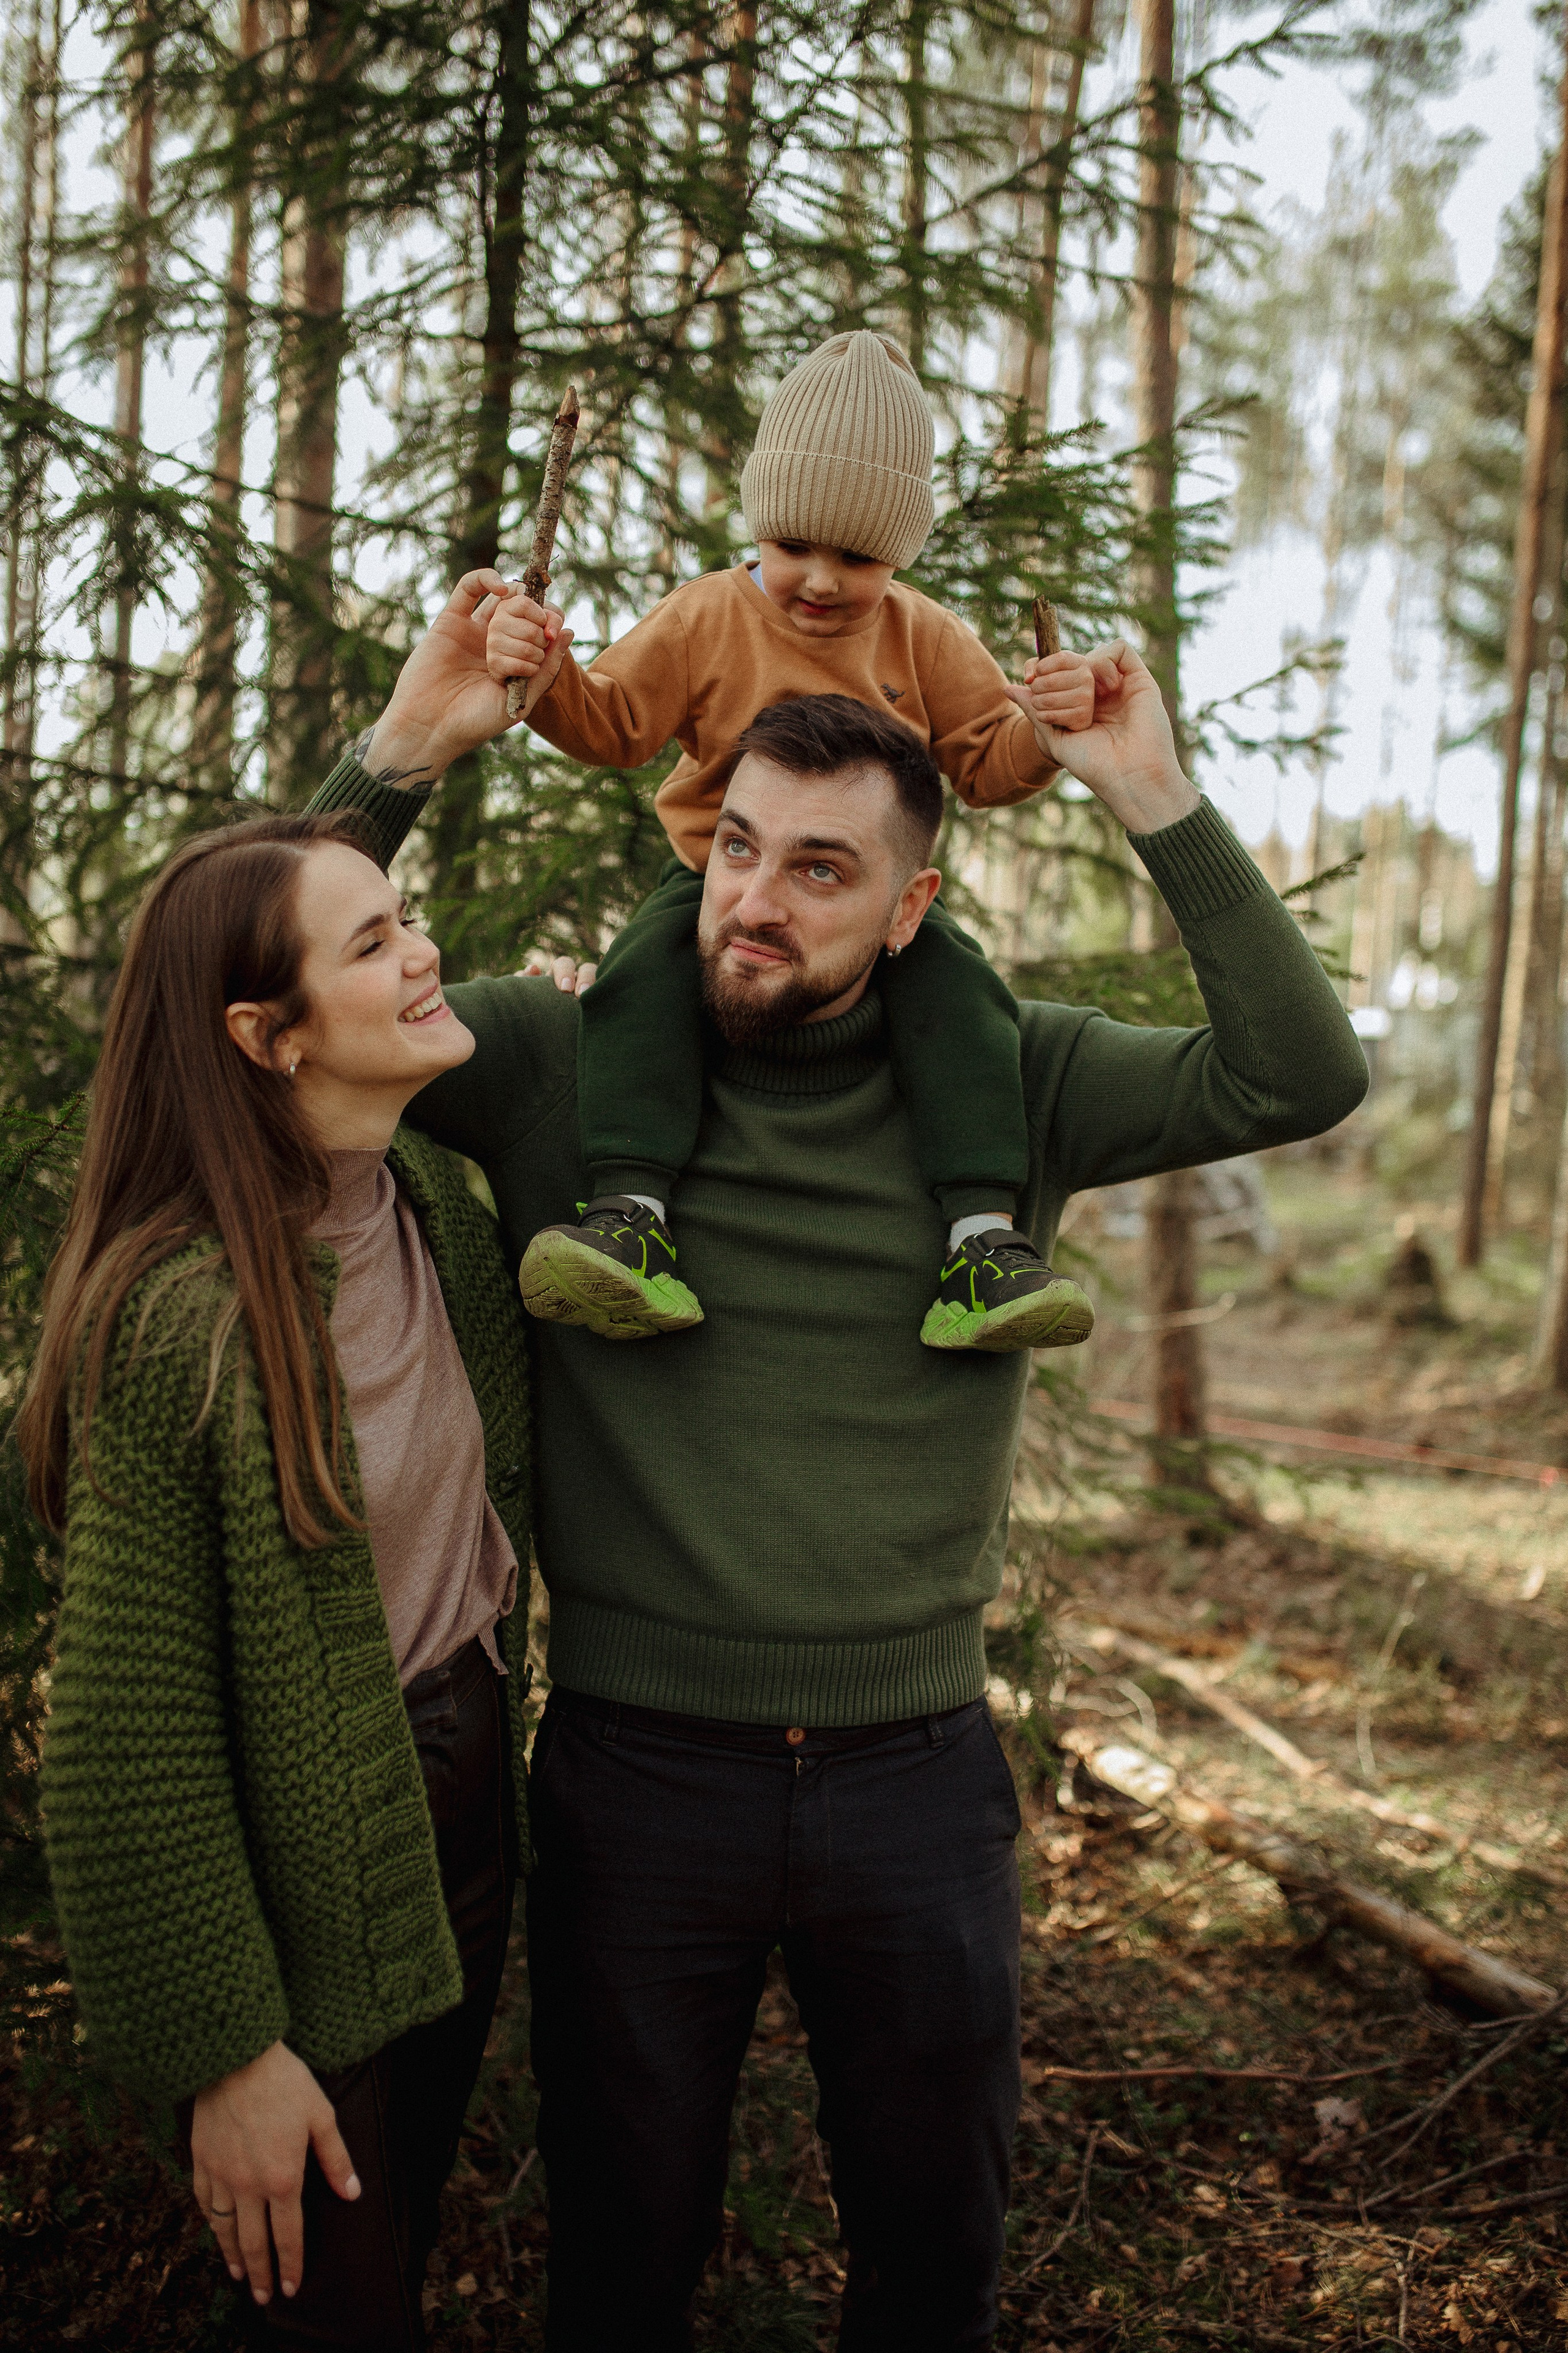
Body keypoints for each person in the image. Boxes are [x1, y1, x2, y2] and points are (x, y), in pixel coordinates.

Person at [307, 572, 1368, 2351]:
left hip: (917, 1781)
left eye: (822, 871)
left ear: (912, 907)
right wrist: (412, 744)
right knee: (625, 2260)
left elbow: (1299, 1071)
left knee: (934, 2254)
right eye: (739, 849)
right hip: (642, 1777)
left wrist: (1153, 795)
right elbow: (260, 991)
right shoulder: (566, 1064)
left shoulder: (1013, 1085)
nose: (756, 902)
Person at [20, 803, 543, 2352]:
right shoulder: (184, 1314)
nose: (422, 951)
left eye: (408, 918)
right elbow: (126, 1739)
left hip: (464, 1810)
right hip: (297, 1866)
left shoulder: (434, 1210)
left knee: (390, 2241)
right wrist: (227, 2052)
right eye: (372, 943)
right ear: (267, 1035)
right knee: (323, 2308)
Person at [486, 329, 1099, 1354]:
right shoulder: (705, 617)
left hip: (871, 914)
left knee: (967, 1006)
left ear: (899, 550)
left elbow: (989, 763)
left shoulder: (927, 637)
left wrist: (1047, 727)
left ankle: (984, 1240)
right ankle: (632, 1215)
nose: (818, 579)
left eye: (856, 556)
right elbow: (616, 724)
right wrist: (544, 677)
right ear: (760, 524)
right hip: (714, 887)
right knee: (643, 984)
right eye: (793, 546)